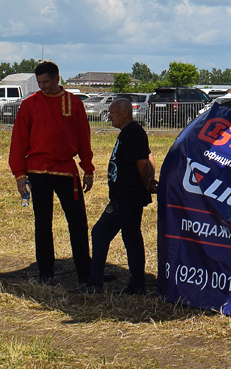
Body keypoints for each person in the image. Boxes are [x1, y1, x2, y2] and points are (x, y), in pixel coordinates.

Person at [8, 61, 93, 285]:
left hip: (66, 170)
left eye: (46, 82)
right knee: (43, 223)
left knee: (78, 222)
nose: (42, 86)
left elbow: (84, 137)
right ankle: (46, 272)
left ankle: (85, 273)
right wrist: (19, 174)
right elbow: (18, 140)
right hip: (38, 170)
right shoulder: (30, 104)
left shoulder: (74, 103)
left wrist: (88, 168)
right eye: (39, 83)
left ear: (57, 79)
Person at [82, 97, 155, 294]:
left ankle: (94, 282)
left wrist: (147, 182)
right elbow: (149, 155)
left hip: (127, 195)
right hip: (129, 194)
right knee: (131, 237)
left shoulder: (133, 132)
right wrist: (148, 180)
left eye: (112, 112)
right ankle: (137, 284)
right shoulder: (129, 133)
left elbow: (143, 161)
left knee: (100, 233)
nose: (109, 116)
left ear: (125, 112)